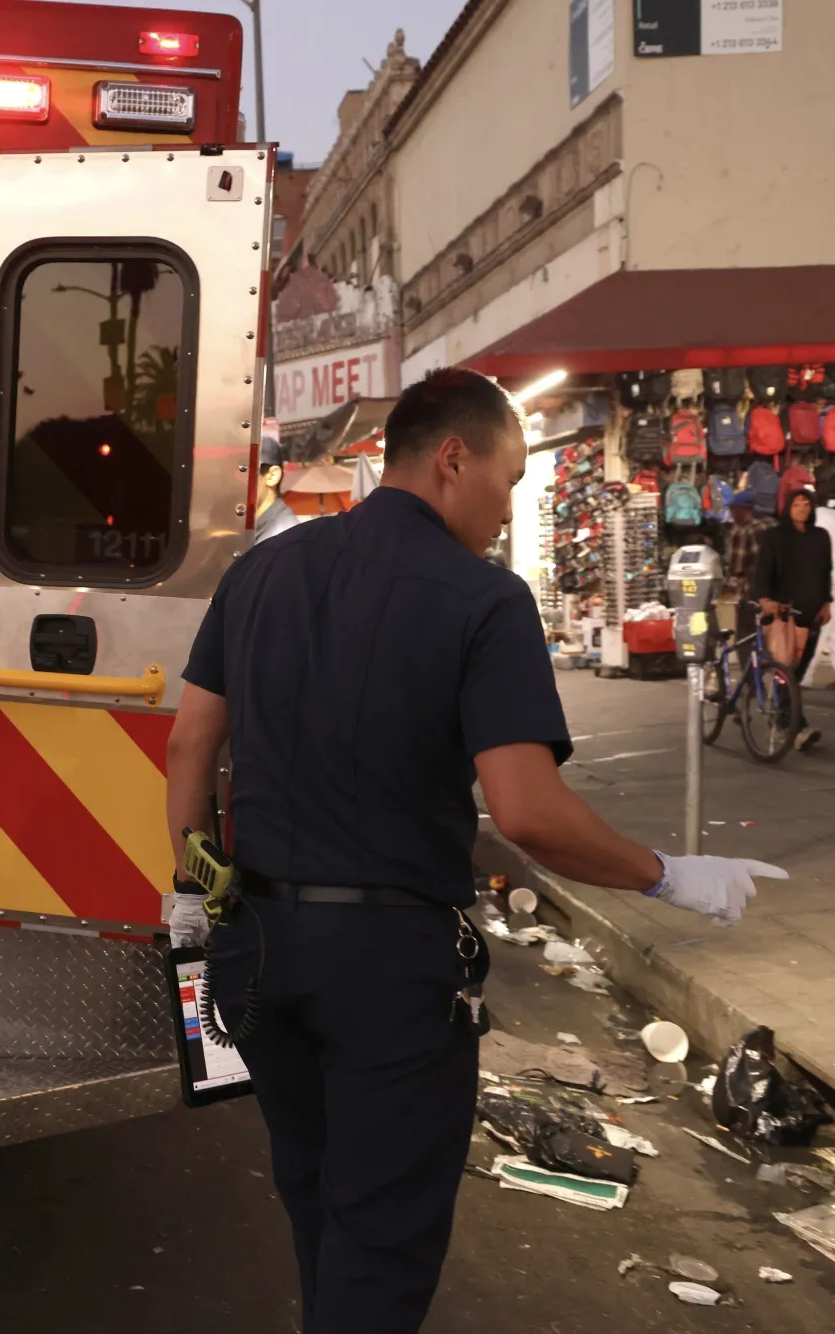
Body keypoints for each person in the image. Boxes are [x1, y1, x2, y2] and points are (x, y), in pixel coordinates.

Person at [163, 368, 784, 1334]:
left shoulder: (261, 571)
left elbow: (189, 746)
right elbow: (528, 812)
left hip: (258, 954)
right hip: (391, 974)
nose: (509, 507)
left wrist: (193, 890)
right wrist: (672, 875)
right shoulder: (484, 601)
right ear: (454, 460)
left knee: (318, 1202)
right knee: (382, 1242)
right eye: (509, 477)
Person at [755, 488, 835, 750]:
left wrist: (826, 602)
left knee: (797, 674)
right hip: (784, 615)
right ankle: (796, 728)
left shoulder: (820, 537)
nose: (802, 508)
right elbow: (763, 571)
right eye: (797, 504)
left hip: (812, 614)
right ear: (787, 507)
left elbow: (825, 572)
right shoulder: (774, 537)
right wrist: (765, 600)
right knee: (785, 671)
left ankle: (781, 719)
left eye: (806, 504)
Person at [799, 486, 835, 692]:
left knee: (819, 628)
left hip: (827, 580)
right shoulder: (834, 516)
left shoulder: (818, 521)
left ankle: (804, 677)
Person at [721, 491, 776, 639]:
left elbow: (736, 566)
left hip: (751, 589)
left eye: (734, 509)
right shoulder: (772, 524)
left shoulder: (742, 530)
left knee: (745, 632)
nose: (732, 513)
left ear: (745, 510)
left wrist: (725, 589)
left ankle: (750, 661)